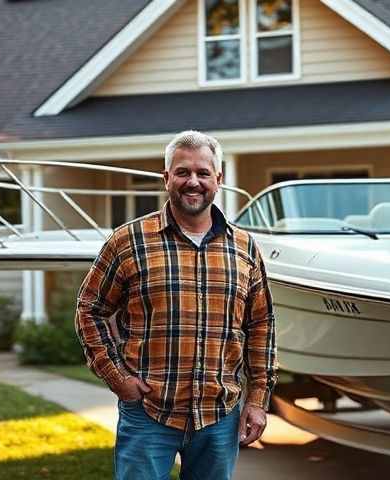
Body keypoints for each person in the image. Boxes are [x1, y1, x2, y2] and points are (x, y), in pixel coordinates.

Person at [75, 130, 277, 480]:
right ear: (166, 178)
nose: (193, 182)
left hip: (219, 414)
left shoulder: (244, 248)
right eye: (182, 172)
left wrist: (257, 400)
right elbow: (89, 308)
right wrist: (117, 376)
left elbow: (260, 324)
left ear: (219, 179)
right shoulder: (128, 241)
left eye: (203, 173)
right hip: (148, 413)